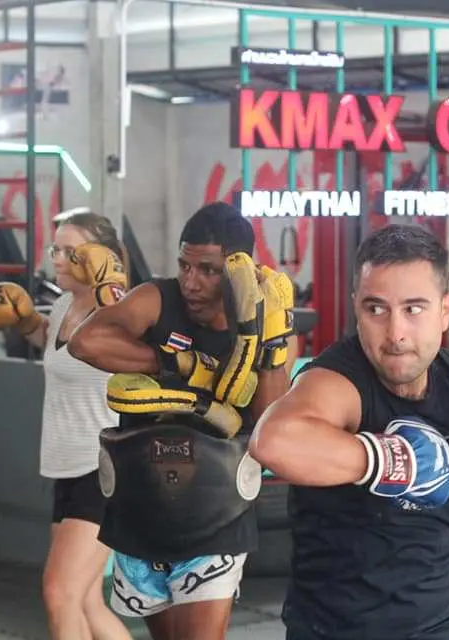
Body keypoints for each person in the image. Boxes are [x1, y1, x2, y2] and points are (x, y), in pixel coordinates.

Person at [249, 224, 449, 640]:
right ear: (356, 307)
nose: (395, 334)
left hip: (441, 627)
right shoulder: (337, 381)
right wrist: (389, 460)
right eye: (376, 309)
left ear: (445, 310)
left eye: (413, 309)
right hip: (336, 630)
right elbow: (273, 441)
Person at [67, 202, 299, 640]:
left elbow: (271, 422)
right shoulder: (159, 298)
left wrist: (270, 353)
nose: (191, 282)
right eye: (184, 265)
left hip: (216, 506)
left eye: (208, 270)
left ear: (237, 270)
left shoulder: (260, 324)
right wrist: (181, 365)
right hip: (141, 501)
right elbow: (86, 342)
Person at [0, 210, 132, 640]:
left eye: (71, 252)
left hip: (102, 468)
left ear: (99, 257)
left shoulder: (117, 309)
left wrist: (111, 282)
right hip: (66, 464)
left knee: (60, 594)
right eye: (55, 250)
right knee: (83, 601)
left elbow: (136, 333)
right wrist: (27, 322)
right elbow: (55, 346)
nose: (57, 260)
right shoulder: (65, 304)